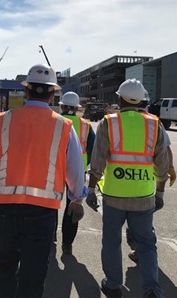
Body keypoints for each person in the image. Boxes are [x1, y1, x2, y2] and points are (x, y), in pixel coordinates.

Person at [0, 64, 88, 298]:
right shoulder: (64, 126)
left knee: (6, 268)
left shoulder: (2, 121)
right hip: (42, 212)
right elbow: (75, 169)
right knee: (34, 274)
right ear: (52, 95)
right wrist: (76, 198)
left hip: (5, 210)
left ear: (26, 91)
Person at [86, 78, 169, 298]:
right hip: (143, 195)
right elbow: (162, 165)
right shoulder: (155, 124)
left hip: (114, 196)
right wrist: (159, 193)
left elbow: (98, 161)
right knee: (146, 244)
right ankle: (152, 289)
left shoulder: (108, 122)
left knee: (112, 241)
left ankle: (113, 285)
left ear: (120, 99)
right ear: (142, 100)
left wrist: (91, 190)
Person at [127, 99, 176, 264]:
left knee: (138, 222)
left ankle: (141, 249)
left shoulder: (122, 121)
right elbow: (166, 148)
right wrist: (170, 168)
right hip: (146, 182)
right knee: (144, 221)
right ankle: (143, 250)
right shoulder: (156, 124)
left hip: (125, 182)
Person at [55, 91, 95, 254]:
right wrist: (85, 164)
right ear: (77, 108)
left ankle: (50, 236)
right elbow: (92, 148)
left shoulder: (55, 122)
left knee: (51, 204)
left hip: (55, 169)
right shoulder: (85, 125)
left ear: (62, 106)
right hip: (77, 171)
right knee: (73, 205)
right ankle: (67, 243)